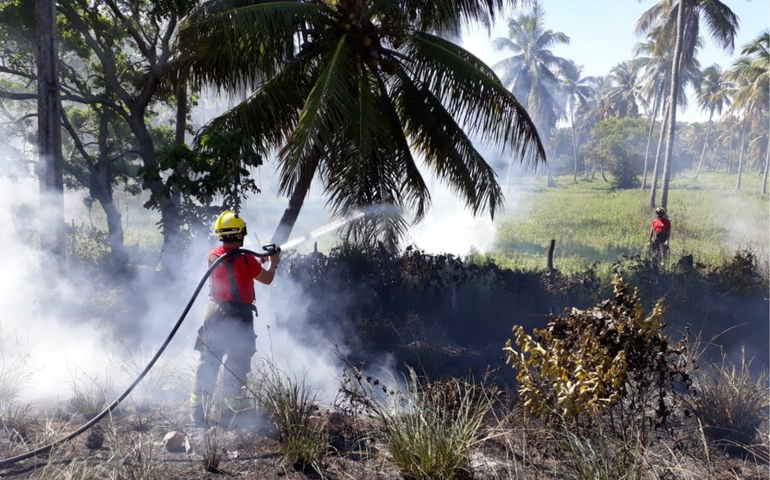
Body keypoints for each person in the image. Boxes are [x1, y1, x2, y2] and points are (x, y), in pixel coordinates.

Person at [190, 210, 280, 427]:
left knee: (207, 362)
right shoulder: (247, 259)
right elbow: (266, 278)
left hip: (214, 313)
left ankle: (197, 414)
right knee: (237, 364)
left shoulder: (213, 255)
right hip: (238, 315)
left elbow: (232, 261)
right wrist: (273, 262)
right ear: (241, 234)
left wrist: (257, 259)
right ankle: (231, 414)